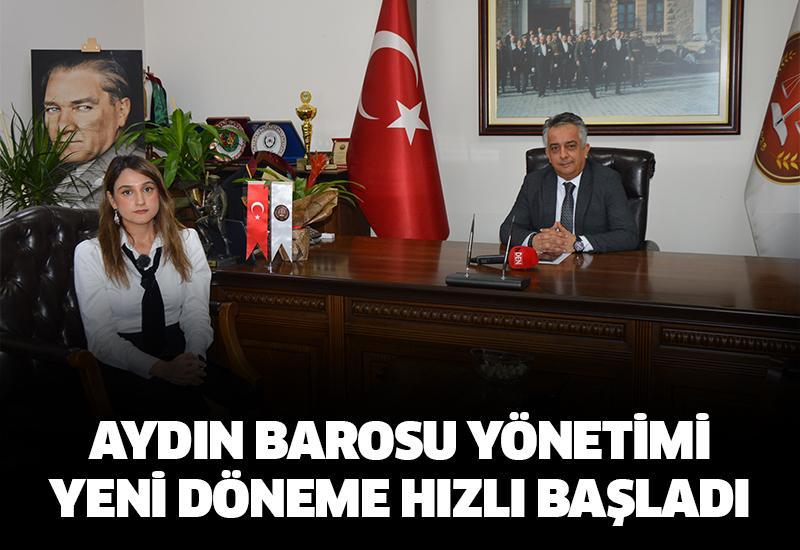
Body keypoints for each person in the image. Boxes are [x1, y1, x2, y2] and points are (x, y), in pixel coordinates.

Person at [73, 155, 252, 417]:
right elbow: (101, 339)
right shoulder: (90, 253)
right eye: (127, 192)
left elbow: (195, 311)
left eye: (147, 189)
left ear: (159, 193)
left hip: (182, 350)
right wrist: (162, 369)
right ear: (112, 200)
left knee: (247, 401)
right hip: (125, 362)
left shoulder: (187, 241)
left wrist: (193, 358)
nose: (140, 200)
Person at [499, 112, 638, 255]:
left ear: (585, 150)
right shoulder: (534, 182)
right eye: (555, 148)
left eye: (570, 146)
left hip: (591, 265)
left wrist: (578, 243)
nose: (563, 155)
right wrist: (534, 240)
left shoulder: (607, 180)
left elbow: (628, 235)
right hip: (546, 265)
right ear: (548, 154)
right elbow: (507, 230)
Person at [41, 56, 142, 208]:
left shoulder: (135, 173)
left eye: (83, 107)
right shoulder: (72, 173)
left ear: (121, 110)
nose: (63, 126)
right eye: (53, 109)